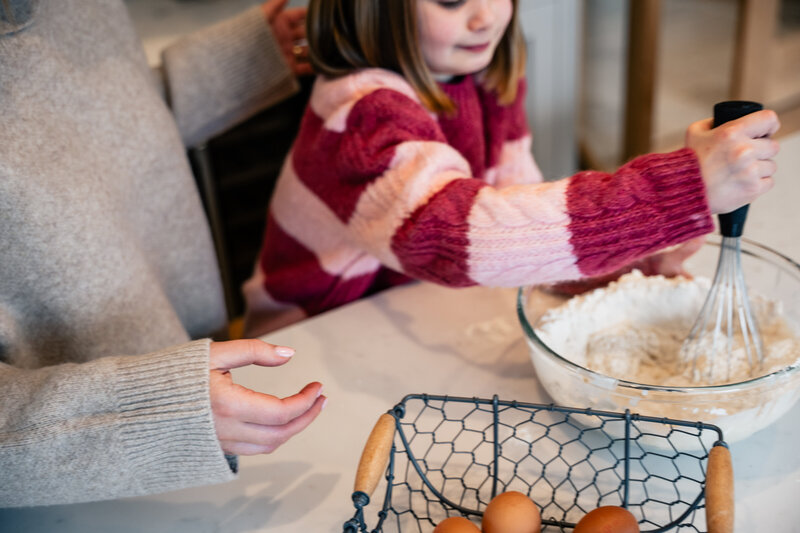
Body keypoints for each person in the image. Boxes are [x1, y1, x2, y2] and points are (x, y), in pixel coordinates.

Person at [242, 0, 781, 337]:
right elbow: (461, 237)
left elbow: (521, 216)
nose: (485, 16)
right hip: (312, 339)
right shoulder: (360, 118)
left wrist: (627, 258)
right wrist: (673, 195)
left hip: (419, 307)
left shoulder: (482, 71)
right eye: (450, 1)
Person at [0, 0, 325, 508]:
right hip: (69, 500)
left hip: (202, 434)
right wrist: (154, 412)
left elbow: (77, 134)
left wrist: (239, 59)